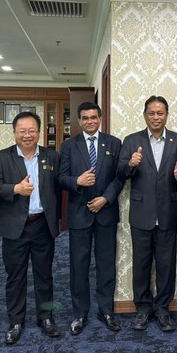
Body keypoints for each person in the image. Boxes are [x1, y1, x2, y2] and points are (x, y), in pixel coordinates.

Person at [0, 111, 62, 345]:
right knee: (15, 277)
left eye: (32, 130)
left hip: (43, 225)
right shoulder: (2, 157)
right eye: (22, 131)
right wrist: (15, 189)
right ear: (15, 133)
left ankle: (46, 317)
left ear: (39, 132)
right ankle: (16, 321)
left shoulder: (52, 156)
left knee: (45, 275)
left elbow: (58, 188)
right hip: (14, 227)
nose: (27, 135)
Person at [117, 95, 177, 332]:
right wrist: (130, 164)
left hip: (168, 212)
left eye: (160, 113)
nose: (156, 117)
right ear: (144, 115)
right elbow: (120, 172)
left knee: (166, 265)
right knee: (141, 263)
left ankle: (162, 309)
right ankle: (143, 308)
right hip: (141, 212)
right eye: (151, 113)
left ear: (166, 115)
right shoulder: (131, 140)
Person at [59, 102, 123, 334]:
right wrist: (77, 181)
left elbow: (119, 177)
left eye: (93, 117)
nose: (90, 121)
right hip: (79, 213)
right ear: (79, 121)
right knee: (79, 265)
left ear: (100, 118)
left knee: (106, 265)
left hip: (106, 212)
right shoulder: (69, 145)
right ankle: (80, 313)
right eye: (85, 118)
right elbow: (61, 177)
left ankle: (106, 311)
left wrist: (105, 198)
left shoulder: (114, 143)